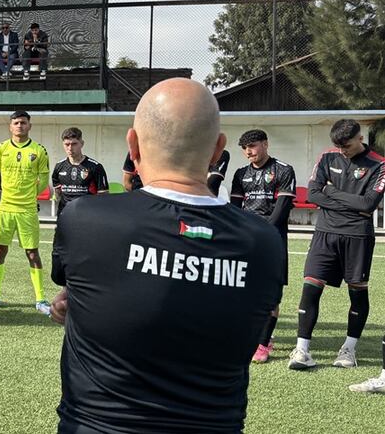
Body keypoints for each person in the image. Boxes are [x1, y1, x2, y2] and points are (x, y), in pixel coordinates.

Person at [50, 78, 284, 433]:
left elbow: (86, 295)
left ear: (133, 145)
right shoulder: (263, 242)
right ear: (219, 149)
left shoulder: (84, 219)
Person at [289, 119, 384, 372]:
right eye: (339, 146)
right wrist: (350, 202)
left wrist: (330, 193)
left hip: (358, 236)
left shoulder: (379, 164)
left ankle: (349, 349)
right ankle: (302, 350)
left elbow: (368, 204)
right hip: (325, 233)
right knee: (310, 288)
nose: (343, 150)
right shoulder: (327, 157)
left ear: (360, 137)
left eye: (348, 145)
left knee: (357, 291)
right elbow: (312, 194)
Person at [229, 129, 296, 364]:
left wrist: (262, 233)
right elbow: (235, 209)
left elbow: (282, 208)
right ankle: (250, 335)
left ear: (265, 144)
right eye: (245, 148)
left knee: (271, 294)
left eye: (253, 145)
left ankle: (263, 343)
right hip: (246, 240)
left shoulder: (284, 170)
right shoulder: (240, 174)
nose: (249, 151)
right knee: (242, 290)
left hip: (272, 240)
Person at [0, 110, 51, 315]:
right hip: (4, 208)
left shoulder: (39, 151)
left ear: (29, 125)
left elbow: (43, 180)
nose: (19, 126)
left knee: (32, 253)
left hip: (27, 210)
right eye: (16, 123)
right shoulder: (1, 149)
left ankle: (40, 299)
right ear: (10, 127)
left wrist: (30, 195)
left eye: (23, 122)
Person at [52, 127, 109, 217]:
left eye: (74, 144)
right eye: (67, 144)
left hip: (87, 215)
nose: (70, 148)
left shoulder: (96, 167)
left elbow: (103, 195)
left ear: (82, 144)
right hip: (64, 215)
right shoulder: (59, 167)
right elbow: (58, 193)